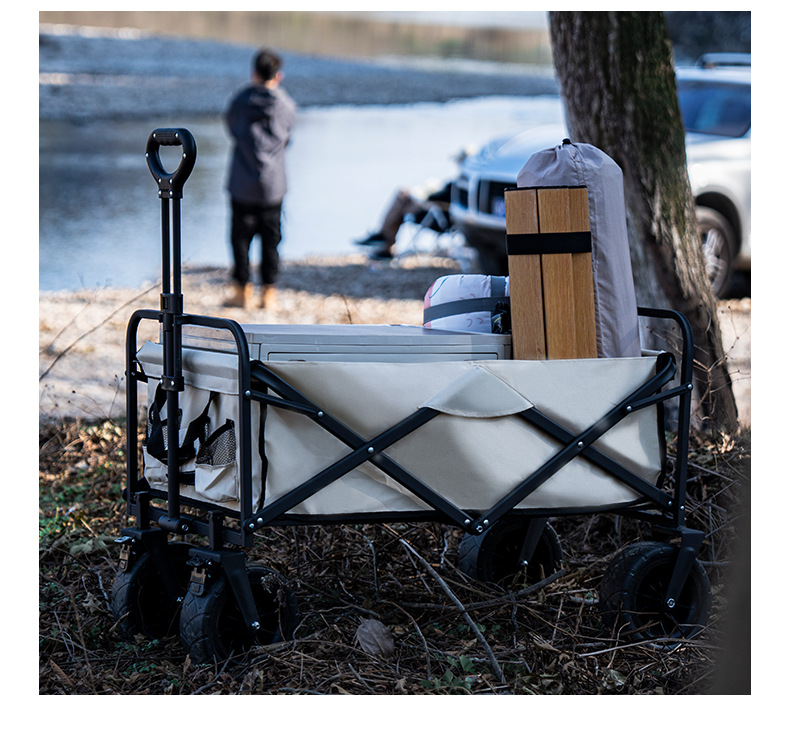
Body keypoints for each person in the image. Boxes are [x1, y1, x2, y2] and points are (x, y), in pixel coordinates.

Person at [223, 48, 297, 309]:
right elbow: (287, 136)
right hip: (273, 183)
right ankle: (269, 292)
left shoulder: (241, 100)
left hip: (242, 180)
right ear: (279, 75)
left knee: (240, 238)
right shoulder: (285, 104)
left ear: (254, 73)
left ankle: (241, 290)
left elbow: (231, 126)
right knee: (271, 238)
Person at [354, 181, 453, 260]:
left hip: (438, 218)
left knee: (403, 197)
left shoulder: (458, 184)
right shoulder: (462, 185)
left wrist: (426, 194)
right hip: (439, 215)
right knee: (403, 197)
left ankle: (385, 240)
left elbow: (437, 197)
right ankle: (385, 240)